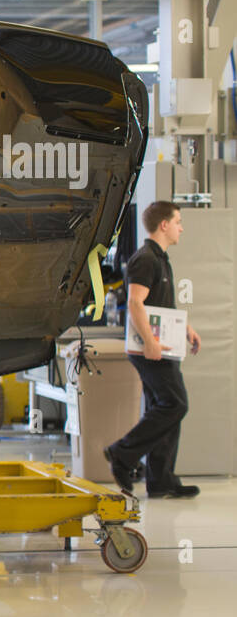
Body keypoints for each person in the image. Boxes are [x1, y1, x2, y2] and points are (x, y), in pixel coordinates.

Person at [104, 201, 201, 499]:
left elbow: (159, 304)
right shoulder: (145, 259)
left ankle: (161, 480)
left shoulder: (159, 258)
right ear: (164, 225)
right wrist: (150, 342)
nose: (181, 227)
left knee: (164, 407)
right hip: (150, 347)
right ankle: (122, 454)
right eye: (178, 221)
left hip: (162, 345)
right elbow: (135, 303)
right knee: (175, 404)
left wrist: (185, 327)